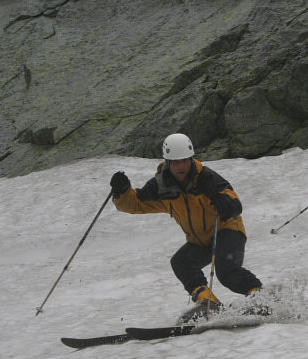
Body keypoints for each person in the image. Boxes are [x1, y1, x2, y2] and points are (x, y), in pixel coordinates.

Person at [109, 133, 262, 323]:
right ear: (167, 163)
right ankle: (208, 303)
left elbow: (232, 200)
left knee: (226, 271)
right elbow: (136, 204)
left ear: (191, 159)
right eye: (175, 162)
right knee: (181, 263)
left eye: (184, 161)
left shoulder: (206, 178)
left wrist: (227, 204)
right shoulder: (161, 186)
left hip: (227, 230)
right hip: (199, 240)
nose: (181, 166)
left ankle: (260, 297)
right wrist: (122, 191)